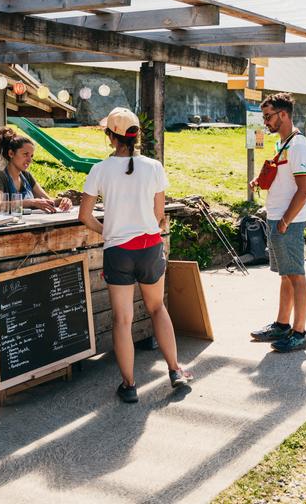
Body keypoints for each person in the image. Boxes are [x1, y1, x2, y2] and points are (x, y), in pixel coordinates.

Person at [78, 107, 192, 403]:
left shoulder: (99, 170)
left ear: (110, 136)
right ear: (136, 135)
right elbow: (159, 215)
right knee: (157, 308)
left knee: (123, 320)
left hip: (118, 251)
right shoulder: (154, 167)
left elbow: (84, 216)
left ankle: (129, 386)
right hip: (149, 247)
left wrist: (109, 231)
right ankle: (175, 370)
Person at [248, 93, 306, 353]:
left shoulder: (299, 145)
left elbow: (305, 190)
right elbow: (285, 179)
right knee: (286, 275)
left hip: (288, 222)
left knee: (296, 275)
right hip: (277, 218)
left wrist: (286, 221)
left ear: (283, 114)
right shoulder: (282, 144)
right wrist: (261, 181)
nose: (265, 122)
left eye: (268, 117)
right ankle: (282, 324)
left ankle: (300, 333)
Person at [0, 127, 72, 213]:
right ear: (11, 153)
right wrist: (31, 202)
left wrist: (63, 201)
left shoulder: (27, 176)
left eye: (31, 156)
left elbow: (49, 200)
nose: (30, 160)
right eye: (25, 154)